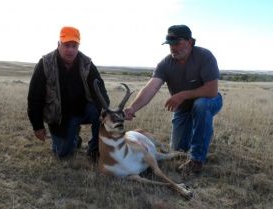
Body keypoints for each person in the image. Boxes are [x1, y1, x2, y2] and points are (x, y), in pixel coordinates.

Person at [124, 25, 223, 175]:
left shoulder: (204, 56)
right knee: (178, 150)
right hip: (183, 108)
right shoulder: (165, 64)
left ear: (189, 42)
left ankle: (197, 160)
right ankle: (202, 134)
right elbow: (151, 88)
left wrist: (182, 95)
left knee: (200, 105)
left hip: (209, 101)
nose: (172, 48)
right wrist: (132, 108)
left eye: (177, 43)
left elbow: (211, 90)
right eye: (170, 44)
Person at [27, 26, 109, 160]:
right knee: (62, 153)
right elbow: (34, 97)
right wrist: (37, 126)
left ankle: (95, 149)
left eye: (74, 46)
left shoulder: (86, 63)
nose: (70, 50)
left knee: (98, 111)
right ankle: (74, 138)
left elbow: (100, 90)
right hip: (60, 117)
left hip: (83, 110)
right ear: (58, 44)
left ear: (78, 47)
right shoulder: (45, 64)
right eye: (66, 45)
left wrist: (106, 111)